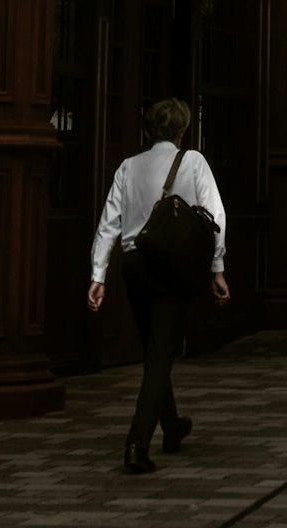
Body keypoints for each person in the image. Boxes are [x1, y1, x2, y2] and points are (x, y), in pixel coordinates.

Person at [89, 96, 229, 474]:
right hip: (174, 265)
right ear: (183, 130)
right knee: (159, 355)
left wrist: (98, 275)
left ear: (148, 130)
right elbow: (215, 216)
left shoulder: (128, 167)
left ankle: (171, 426)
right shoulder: (193, 161)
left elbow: (109, 224)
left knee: (155, 347)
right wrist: (217, 268)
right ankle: (136, 443)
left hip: (134, 266)